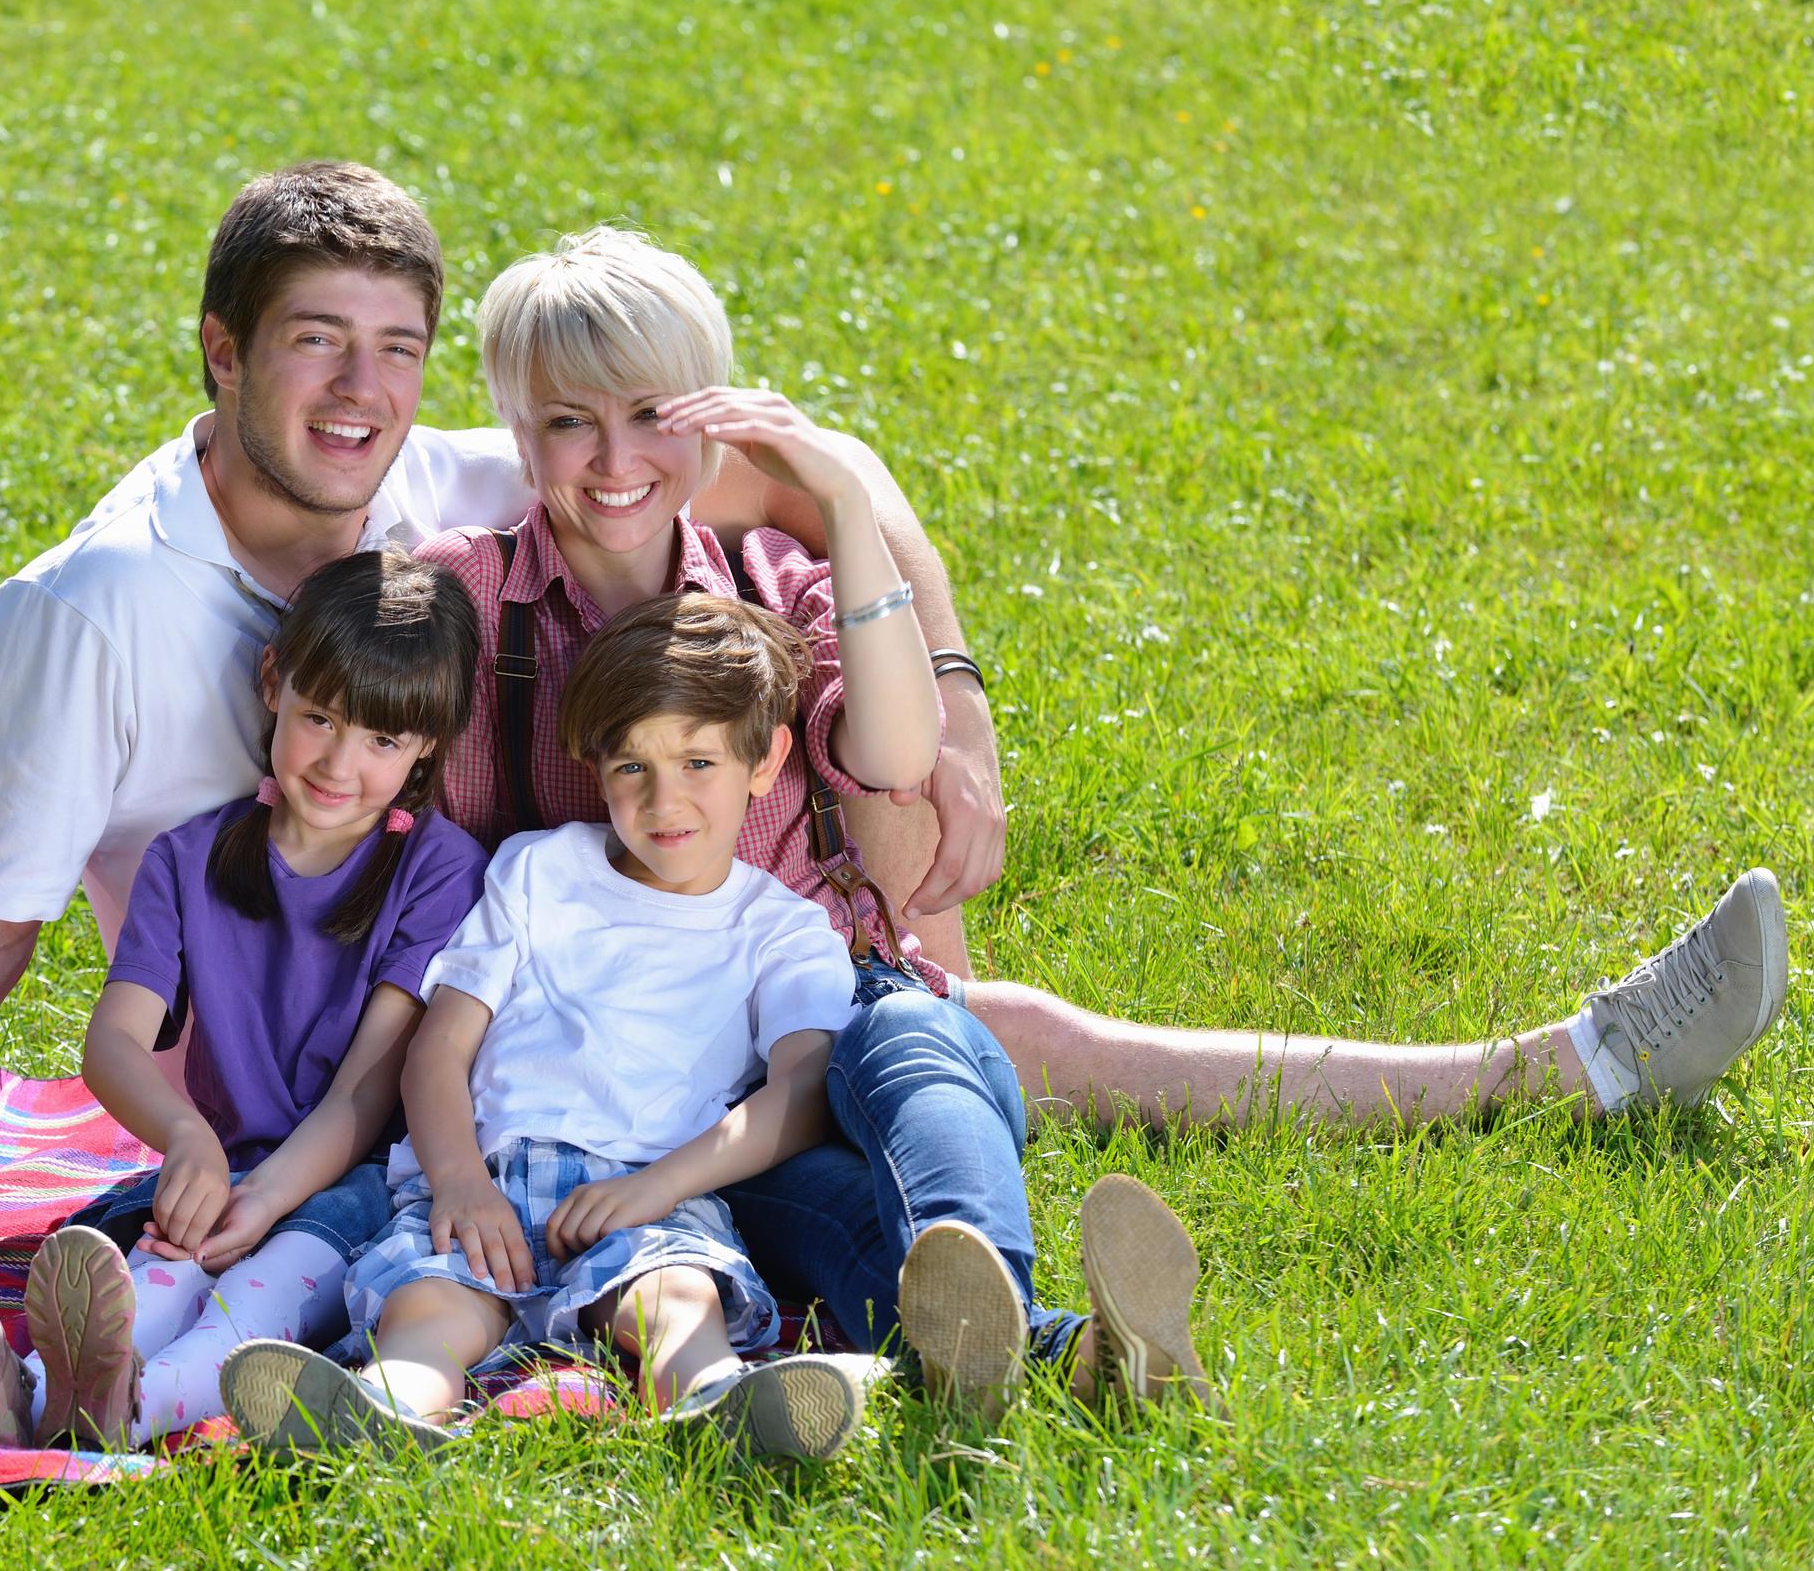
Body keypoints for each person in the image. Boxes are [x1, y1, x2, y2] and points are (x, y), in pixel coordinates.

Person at [395, 225, 1783, 1381]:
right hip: (600, 1071)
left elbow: (888, 755)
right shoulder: (464, 598)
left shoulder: (776, 579)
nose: (612, 459)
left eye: (654, 416)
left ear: (719, 415)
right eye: (565, 425)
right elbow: (351, 806)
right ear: (511, 432)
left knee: (937, 1049)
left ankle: (1555, 1067)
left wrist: (845, 498)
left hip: (792, 1029)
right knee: (878, 1181)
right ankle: (1061, 1344)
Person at [0, 161, 995, 1247]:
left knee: (905, 1040)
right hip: (311, 1090)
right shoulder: (92, 607)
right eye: (316, 345)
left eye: (397, 353)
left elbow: (823, 480)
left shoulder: (479, 479)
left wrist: (953, 716)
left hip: (556, 1018)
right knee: (864, 1122)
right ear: (222, 354)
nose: (361, 394)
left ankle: (1035, 1182)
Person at [220, 594, 1195, 1460]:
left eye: (696, 761)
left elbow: (801, 1089)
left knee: (677, 1301)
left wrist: (661, 1184)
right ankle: (385, 1411)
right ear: (591, 764)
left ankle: (722, 1406)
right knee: (430, 1304)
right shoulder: (536, 870)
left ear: (765, 758)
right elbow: (441, 1044)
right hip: (498, 1173)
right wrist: (459, 1179)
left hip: (656, 1182)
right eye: (631, 766)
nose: (662, 798)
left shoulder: (778, 929)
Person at [0, 550, 490, 1450]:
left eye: (383, 741)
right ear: (273, 682)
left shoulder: (437, 871)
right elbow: (113, 1044)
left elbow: (365, 1092)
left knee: (252, 1295)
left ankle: (121, 1410)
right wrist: (188, 1138)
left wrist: (268, 1195)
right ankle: (23, 1388)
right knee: (154, 1276)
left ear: (428, 743)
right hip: (223, 1164)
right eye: (319, 717)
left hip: (356, 1185)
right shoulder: (189, 856)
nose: (339, 762)